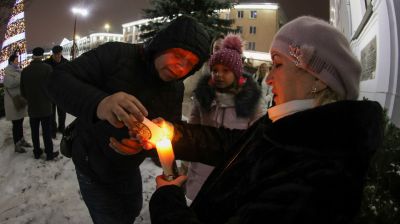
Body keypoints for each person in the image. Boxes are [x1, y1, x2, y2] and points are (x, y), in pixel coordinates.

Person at [112, 16, 384, 223]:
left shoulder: (322, 172)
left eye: (277, 64)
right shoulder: (290, 130)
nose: (268, 78)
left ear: (317, 78)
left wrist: (168, 200)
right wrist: (172, 131)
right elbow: (234, 145)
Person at [46, 15, 210, 224]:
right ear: (163, 44)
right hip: (93, 165)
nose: (180, 67)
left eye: (190, 64)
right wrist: (101, 103)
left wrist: (144, 145)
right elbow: (56, 80)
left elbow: (165, 136)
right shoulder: (116, 54)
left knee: (131, 210)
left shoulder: (175, 88)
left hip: (129, 169)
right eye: (178, 55)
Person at [184, 34, 264, 200]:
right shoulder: (204, 96)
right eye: (215, 71)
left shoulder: (250, 101)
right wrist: (186, 160)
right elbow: (193, 130)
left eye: (226, 70)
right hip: (201, 170)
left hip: (232, 172)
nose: (219, 75)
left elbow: (256, 135)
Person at [21, 47, 58, 160]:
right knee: (46, 131)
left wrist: (30, 99)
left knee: (35, 132)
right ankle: (49, 153)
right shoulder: (47, 68)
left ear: (33, 56)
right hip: (46, 106)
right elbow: (52, 87)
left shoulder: (25, 71)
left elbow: (22, 91)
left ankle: (37, 152)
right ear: (42, 56)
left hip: (33, 107)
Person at [3, 54, 31, 153]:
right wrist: (20, 77)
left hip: (20, 101)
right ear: (11, 62)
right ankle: (17, 144)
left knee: (20, 122)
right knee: (16, 124)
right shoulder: (8, 73)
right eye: (15, 60)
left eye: (17, 60)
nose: (17, 62)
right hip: (13, 103)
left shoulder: (17, 71)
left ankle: (21, 140)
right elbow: (10, 84)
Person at [44, 45, 68, 137]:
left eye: (59, 54)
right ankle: (52, 130)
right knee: (51, 114)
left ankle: (62, 128)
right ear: (53, 54)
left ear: (61, 53)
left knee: (62, 112)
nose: (58, 56)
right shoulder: (46, 63)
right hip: (50, 93)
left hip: (62, 93)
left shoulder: (66, 62)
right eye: (56, 54)